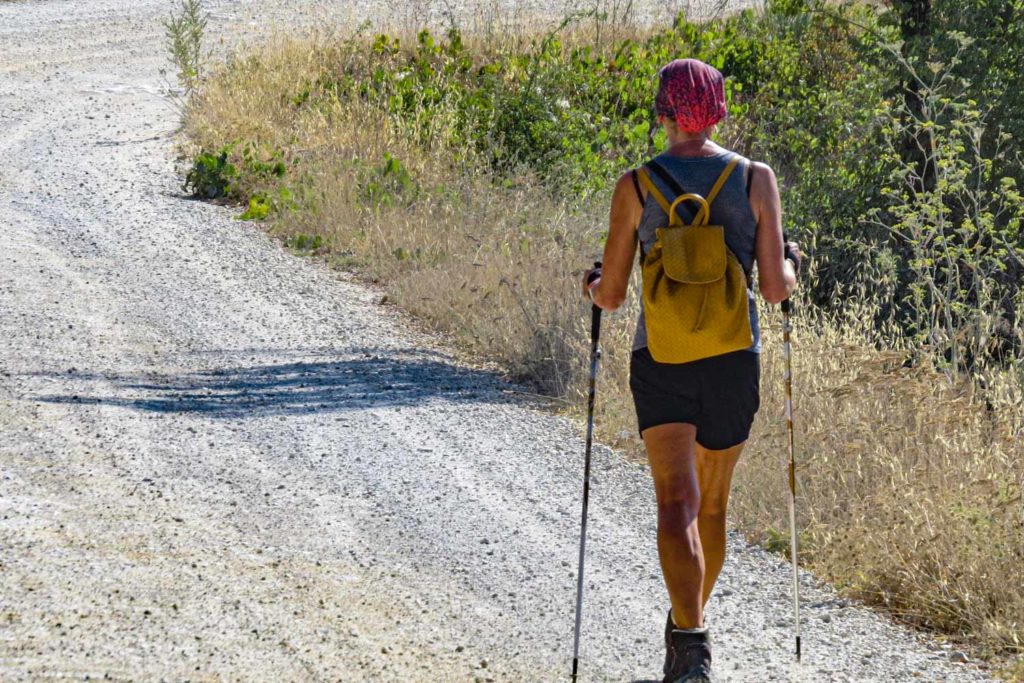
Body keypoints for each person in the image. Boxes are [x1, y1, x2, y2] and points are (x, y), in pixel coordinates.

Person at [582, 58, 801, 683]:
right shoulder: (755, 178)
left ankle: (692, 645)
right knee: (713, 506)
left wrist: (592, 281)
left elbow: (614, 295)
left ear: (664, 111)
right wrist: (789, 259)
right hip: (734, 361)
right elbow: (775, 289)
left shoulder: (638, 185)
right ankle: (687, 626)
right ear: (718, 107)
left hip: (664, 360)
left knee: (674, 502)